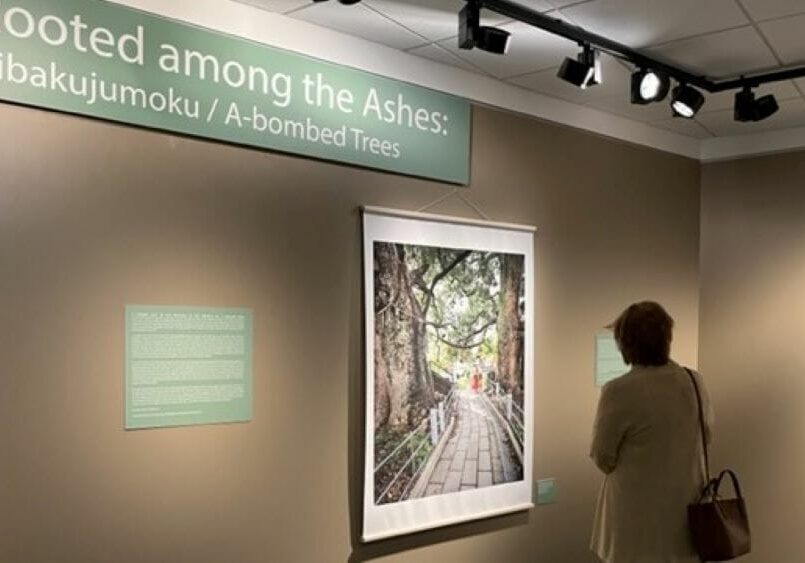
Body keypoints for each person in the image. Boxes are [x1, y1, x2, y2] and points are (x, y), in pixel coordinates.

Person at [590, 301, 714, 563]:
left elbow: (602, 457)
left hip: (634, 524)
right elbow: (707, 437)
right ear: (666, 337)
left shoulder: (618, 390)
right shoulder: (694, 381)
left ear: (625, 343)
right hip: (685, 519)